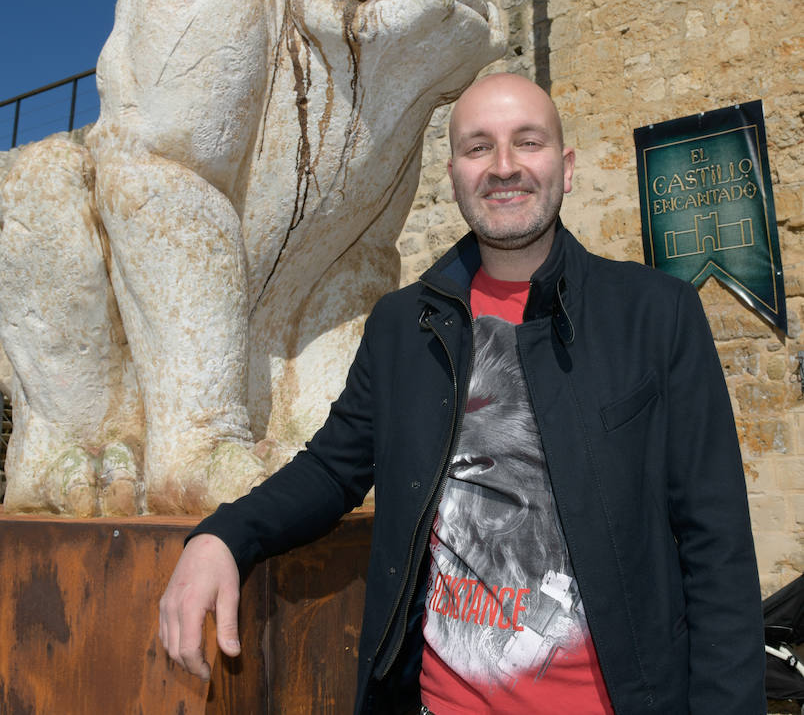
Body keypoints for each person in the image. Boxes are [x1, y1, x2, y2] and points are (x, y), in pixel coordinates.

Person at [159, 73, 765, 714]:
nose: (504, 167)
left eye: (527, 142)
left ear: (566, 165)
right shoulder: (402, 327)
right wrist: (222, 536)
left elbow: (716, 543)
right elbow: (332, 469)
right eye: (479, 148)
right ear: (453, 175)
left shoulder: (655, 313)